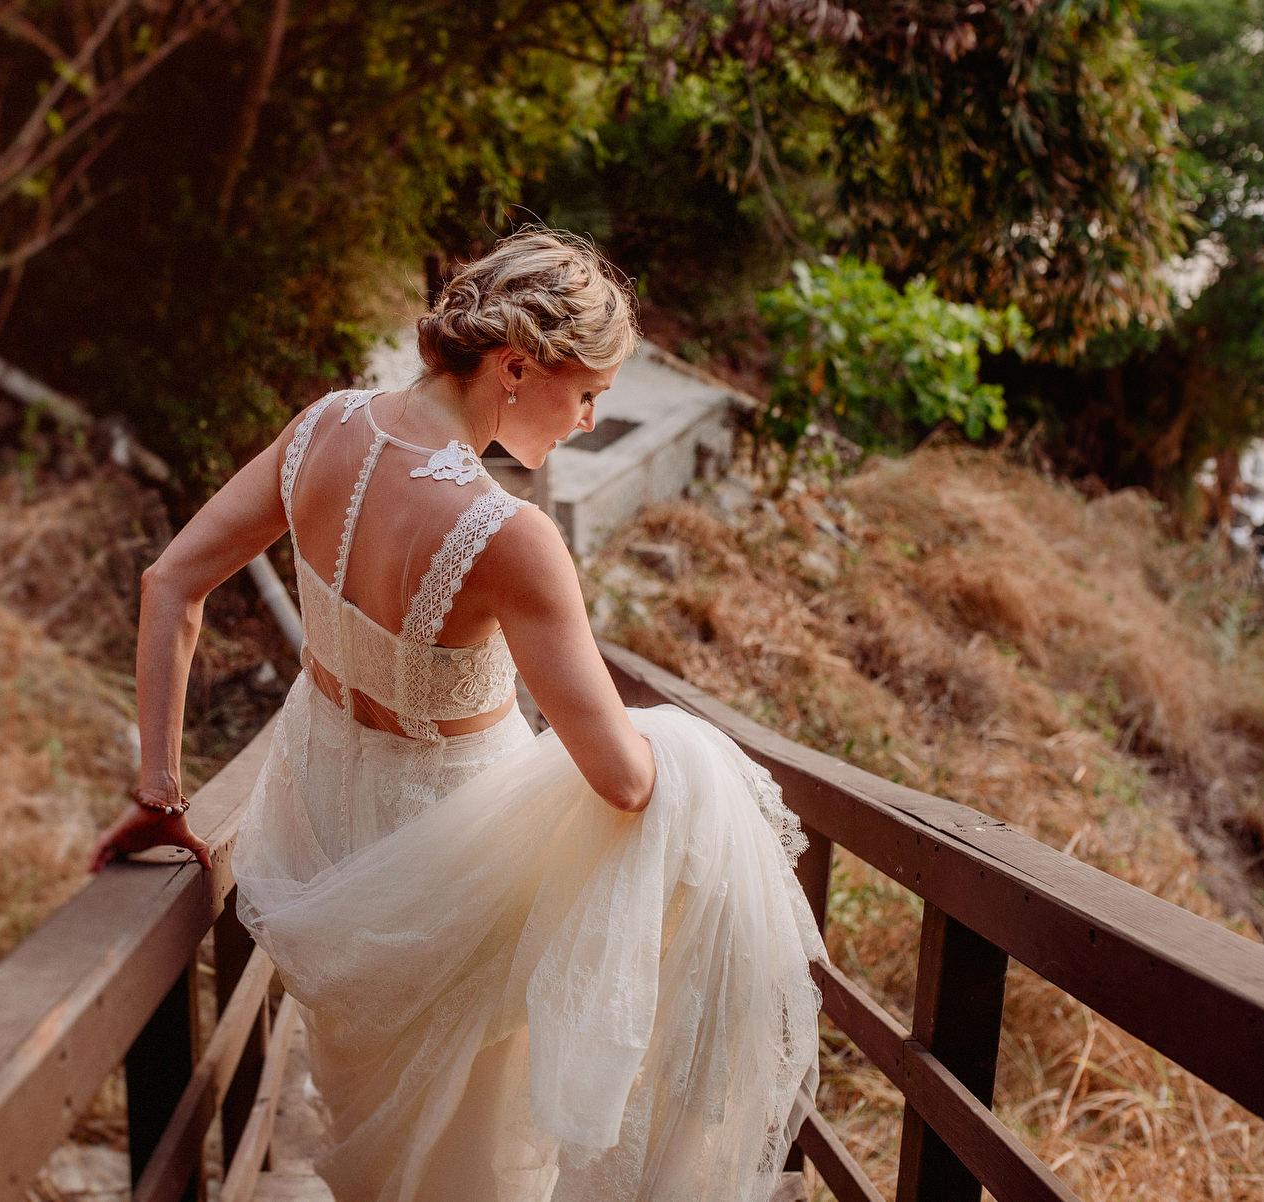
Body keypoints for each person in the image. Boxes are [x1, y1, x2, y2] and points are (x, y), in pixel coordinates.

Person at [89, 230, 824, 1202]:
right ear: (516, 366)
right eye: (588, 391)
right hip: (458, 872)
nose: (592, 420)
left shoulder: (321, 429)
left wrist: (159, 788)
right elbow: (623, 777)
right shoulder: (507, 537)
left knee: (393, 1142)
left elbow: (171, 580)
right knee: (472, 1152)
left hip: (324, 840)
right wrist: (696, 753)